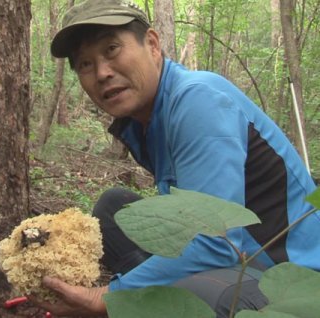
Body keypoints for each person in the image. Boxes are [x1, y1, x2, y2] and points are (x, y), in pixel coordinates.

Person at [31, 0, 320, 317]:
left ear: (152, 45)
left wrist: (107, 296)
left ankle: (139, 303)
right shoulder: (148, 121)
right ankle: (144, 302)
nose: (101, 72)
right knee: (113, 208)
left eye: (112, 49)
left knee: (201, 292)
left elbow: (215, 245)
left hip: (294, 284)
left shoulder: (198, 100)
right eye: (85, 65)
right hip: (235, 264)